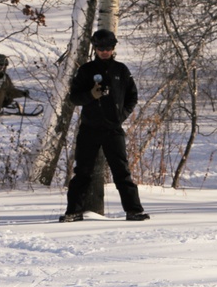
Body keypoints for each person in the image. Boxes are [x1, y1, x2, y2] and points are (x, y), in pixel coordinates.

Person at [59, 29, 150, 222]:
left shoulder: (121, 70)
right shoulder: (86, 70)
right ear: (95, 48)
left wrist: (121, 116)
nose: (104, 52)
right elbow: (74, 98)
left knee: (121, 172)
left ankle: (134, 210)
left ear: (113, 48)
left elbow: (132, 96)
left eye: (108, 48)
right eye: (101, 48)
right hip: (89, 129)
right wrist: (91, 96)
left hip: (113, 129)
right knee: (82, 172)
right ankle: (73, 212)